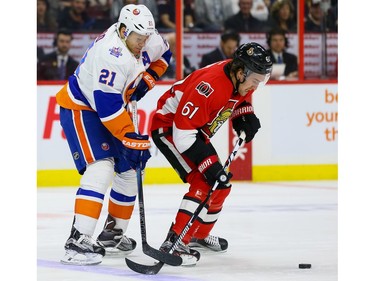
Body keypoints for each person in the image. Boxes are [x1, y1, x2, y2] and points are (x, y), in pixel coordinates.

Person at [56, 4, 172, 266]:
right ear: (122, 30)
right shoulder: (112, 54)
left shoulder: (143, 36)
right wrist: (131, 137)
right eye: (138, 38)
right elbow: (106, 109)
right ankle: (77, 240)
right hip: (82, 107)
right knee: (102, 168)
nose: (143, 44)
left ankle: (112, 234)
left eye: (146, 38)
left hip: (112, 106)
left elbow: (166, 53)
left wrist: (150, 77)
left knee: (130, 170)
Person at [150, 42, 272, 265]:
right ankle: (175, 242)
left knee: (222, 184)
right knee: (205, 181)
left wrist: (244, 116)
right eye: (255, 80)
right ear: (240, 72)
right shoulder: (210, 86)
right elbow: (182, 134)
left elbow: (237, 99)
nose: (255, 86)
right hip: (169, 129)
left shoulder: (236, 78)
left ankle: (198, 235)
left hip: (193, 131)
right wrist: (208, 166)